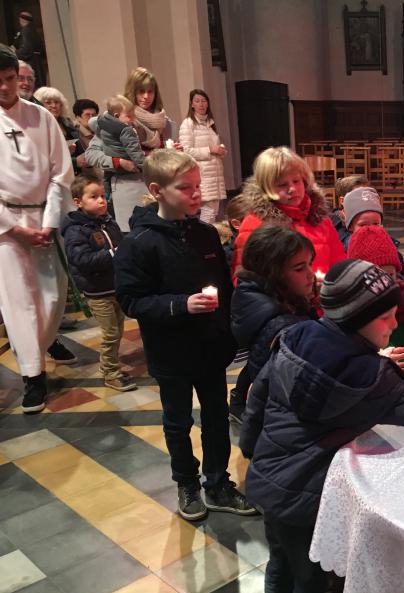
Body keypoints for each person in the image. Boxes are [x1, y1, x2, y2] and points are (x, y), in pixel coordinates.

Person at [240, 258, 404, 593]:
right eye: (385, 317)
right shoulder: (372, 379)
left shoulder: (293, 338)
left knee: (279, 568)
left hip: (270, 478)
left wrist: (250, 451)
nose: (394, 324)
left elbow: (257, 399)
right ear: (356, 318)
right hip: (309, 496)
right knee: (309, 583)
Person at [114, 149, 255, 520]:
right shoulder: (139, 242)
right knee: (178, 420)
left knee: (214, 415)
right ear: (157, 190)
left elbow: (224, 287)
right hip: (170, 351)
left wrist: (229, 331)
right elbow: (131, 300)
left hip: (209, 348)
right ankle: (187, 483)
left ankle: (216, 482)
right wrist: (180, 305)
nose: (197, 194)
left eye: (198, 186)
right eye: (186, 188)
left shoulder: (206, 234)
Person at [0, 45, 74, 412]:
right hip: (6, 229)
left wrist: (47, 223)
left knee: (51, 298)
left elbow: (61, 173)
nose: (4, 87)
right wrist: (13, 229)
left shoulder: (41, 117)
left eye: (10, 79)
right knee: (18, 303)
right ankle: (33, 377)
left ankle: (34, 351)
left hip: (44, 219)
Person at [61, 176, 135, 392]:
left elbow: (119, 244)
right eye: (94, 197)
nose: (101, 201)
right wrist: (114, 253)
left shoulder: (107, 222)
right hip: (97, 290)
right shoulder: (76, 230)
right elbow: (82, 260)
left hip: (115, 286)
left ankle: (108, 366)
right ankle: (111, 373)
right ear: (78, 202)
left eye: (103, 196)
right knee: (111, 333)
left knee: (118, 329)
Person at [231, 225, 316, 408]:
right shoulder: (283, 326)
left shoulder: (264, 299)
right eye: (300, 268)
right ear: (273, 273)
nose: (312, 274)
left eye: (310, 264)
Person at [233, 147, 345, 284]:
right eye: (282, 185)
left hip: (324, 302)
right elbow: (245, 281)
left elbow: (340, 265)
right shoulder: (256, 224)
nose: (292, 189)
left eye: (296, 181)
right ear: (267, 187)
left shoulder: (320, 219)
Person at [349, 225, 404, 378]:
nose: (383, 282)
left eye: (389, 274)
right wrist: (381, 362)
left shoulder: (403, 309)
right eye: (374, 275)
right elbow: (346, 366)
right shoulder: (351, 318)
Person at [110, 67, 177, 231]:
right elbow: (97, 154)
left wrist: (174, 153)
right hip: (128, 186)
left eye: (150, 91)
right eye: (141, 91)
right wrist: (119, 161)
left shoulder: (163, 121)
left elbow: (163, 152)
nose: (146, 97)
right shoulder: (117, 117)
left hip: (156, 187)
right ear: (132, 91)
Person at [340, 186, 404, 292]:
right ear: (350, 226)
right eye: (363, 225)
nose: (370, 229)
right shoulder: (343, 252)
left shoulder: (391, 250)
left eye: (376, 224)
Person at [179, 88, 227, 224]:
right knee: (208, 213)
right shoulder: (188, 124)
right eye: (197, 101)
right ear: (192, 104)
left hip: (215, 175)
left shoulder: (210, 123)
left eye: (204, 101)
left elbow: (215, 148)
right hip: (203, 175)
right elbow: (186, 151)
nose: (201, 104)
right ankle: (204, 242)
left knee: (213, 212)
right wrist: (210, 149)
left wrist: (221, 151)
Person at [96, 95, 145, 170]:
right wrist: (146, 167)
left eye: (133, 115)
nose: (133, 119)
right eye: (129, 116)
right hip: (127, 166)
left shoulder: (102, 122)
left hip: (112, 165)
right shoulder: (125, 130)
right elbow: (135, 152)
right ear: (116, 116)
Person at [33, 86, 79, 155]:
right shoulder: (35, 126)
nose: (54, 106)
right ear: (39, 105)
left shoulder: (67, 123)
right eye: (48, 103)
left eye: (56, 102)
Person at [331, 174, 369, 242]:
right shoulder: (334, 222)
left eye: (366, 194)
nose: (365, 199)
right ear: (342, 201)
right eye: (358, 195)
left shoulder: (372, 216)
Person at [12, 11, 44, 87]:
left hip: (30, 63)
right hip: (37, 64)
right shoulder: (34, 31)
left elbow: (25, 51)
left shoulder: (26, 31)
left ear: (22, 20)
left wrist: (13, 53)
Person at [71, 98, 100, 175]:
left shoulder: (99, 130)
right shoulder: (73, 133)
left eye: (94, 115)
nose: (91, 118)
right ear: (78, 117)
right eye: (87, 115)